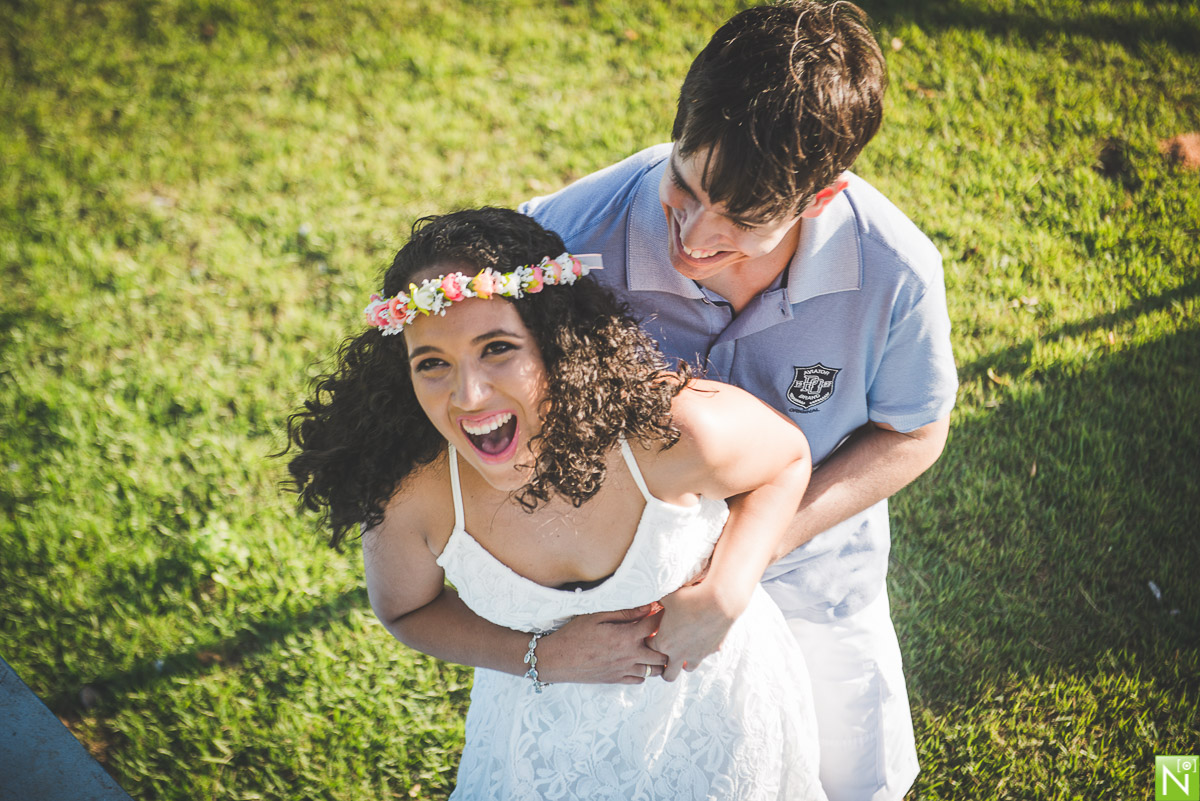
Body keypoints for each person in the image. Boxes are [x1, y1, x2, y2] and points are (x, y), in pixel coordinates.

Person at [380, 3, 958, 800]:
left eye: (743, 219)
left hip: (818, 578)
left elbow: (914, 431)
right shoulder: (566, 238)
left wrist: (738, 569)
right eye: (682, 185)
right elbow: (467, 373)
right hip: (621, 600)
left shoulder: (897, 270)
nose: (692, 236)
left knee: (848, 784)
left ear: (820, 198)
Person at [287, 208, 827, 799]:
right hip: (540, 755)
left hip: (717, 721)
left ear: (555, 340)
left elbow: (787, 460)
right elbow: (405, 613)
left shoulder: (669, 433)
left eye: (496, 348)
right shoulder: (413, 497)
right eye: (432, 363)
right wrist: (542, 656)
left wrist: (728, 587)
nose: (468, 395)